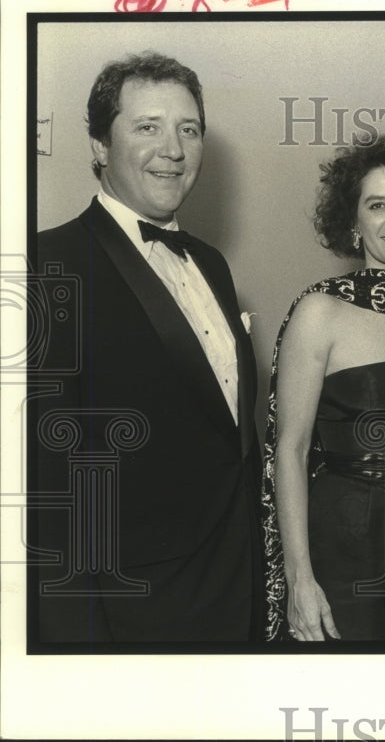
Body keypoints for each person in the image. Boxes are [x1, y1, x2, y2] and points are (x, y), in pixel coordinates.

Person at [31, 52, 264, 643]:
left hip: (234, 594)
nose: (174, 149)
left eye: (189, 129)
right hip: (128, 611)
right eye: (146, 127)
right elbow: (44, 481)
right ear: (100, 147)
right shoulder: (45, 265)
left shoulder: (211, 264)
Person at [262, 135, 385, 642]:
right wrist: (299, 581)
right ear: (353, 223)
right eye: (377, 205)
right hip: (345, 554)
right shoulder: (319, 310)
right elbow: (288, 451)